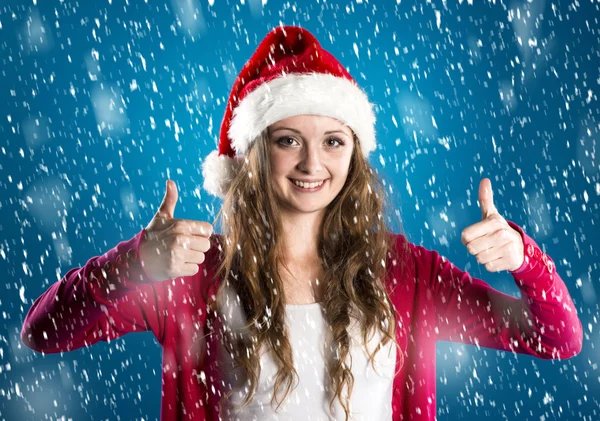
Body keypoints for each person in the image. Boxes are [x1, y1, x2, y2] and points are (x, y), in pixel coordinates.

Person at [20, 26, 583, 421]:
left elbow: (558, 338)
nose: (313, 164)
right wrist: (132, 265)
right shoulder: (191, 274)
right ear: (252, 156)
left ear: (353, 157)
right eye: (288, 140)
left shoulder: (405, 272)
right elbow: (43, 333)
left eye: (333, 141)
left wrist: (525, 262)